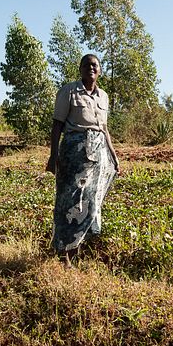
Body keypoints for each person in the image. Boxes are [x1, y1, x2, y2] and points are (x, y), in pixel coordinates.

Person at [45, 54, 120, 267]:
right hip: (74, 151)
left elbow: (104, 129)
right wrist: (53, 156)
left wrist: (113, 156)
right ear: (80, 69)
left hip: (98, 153)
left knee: (91, 199)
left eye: (95, 65)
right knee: (69, 200)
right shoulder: (68, 91)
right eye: (86, 65)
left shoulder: (103, 96)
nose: (91, 68)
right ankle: (63, 253)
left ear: (100, 70)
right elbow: (57, 125)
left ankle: (76, 248)